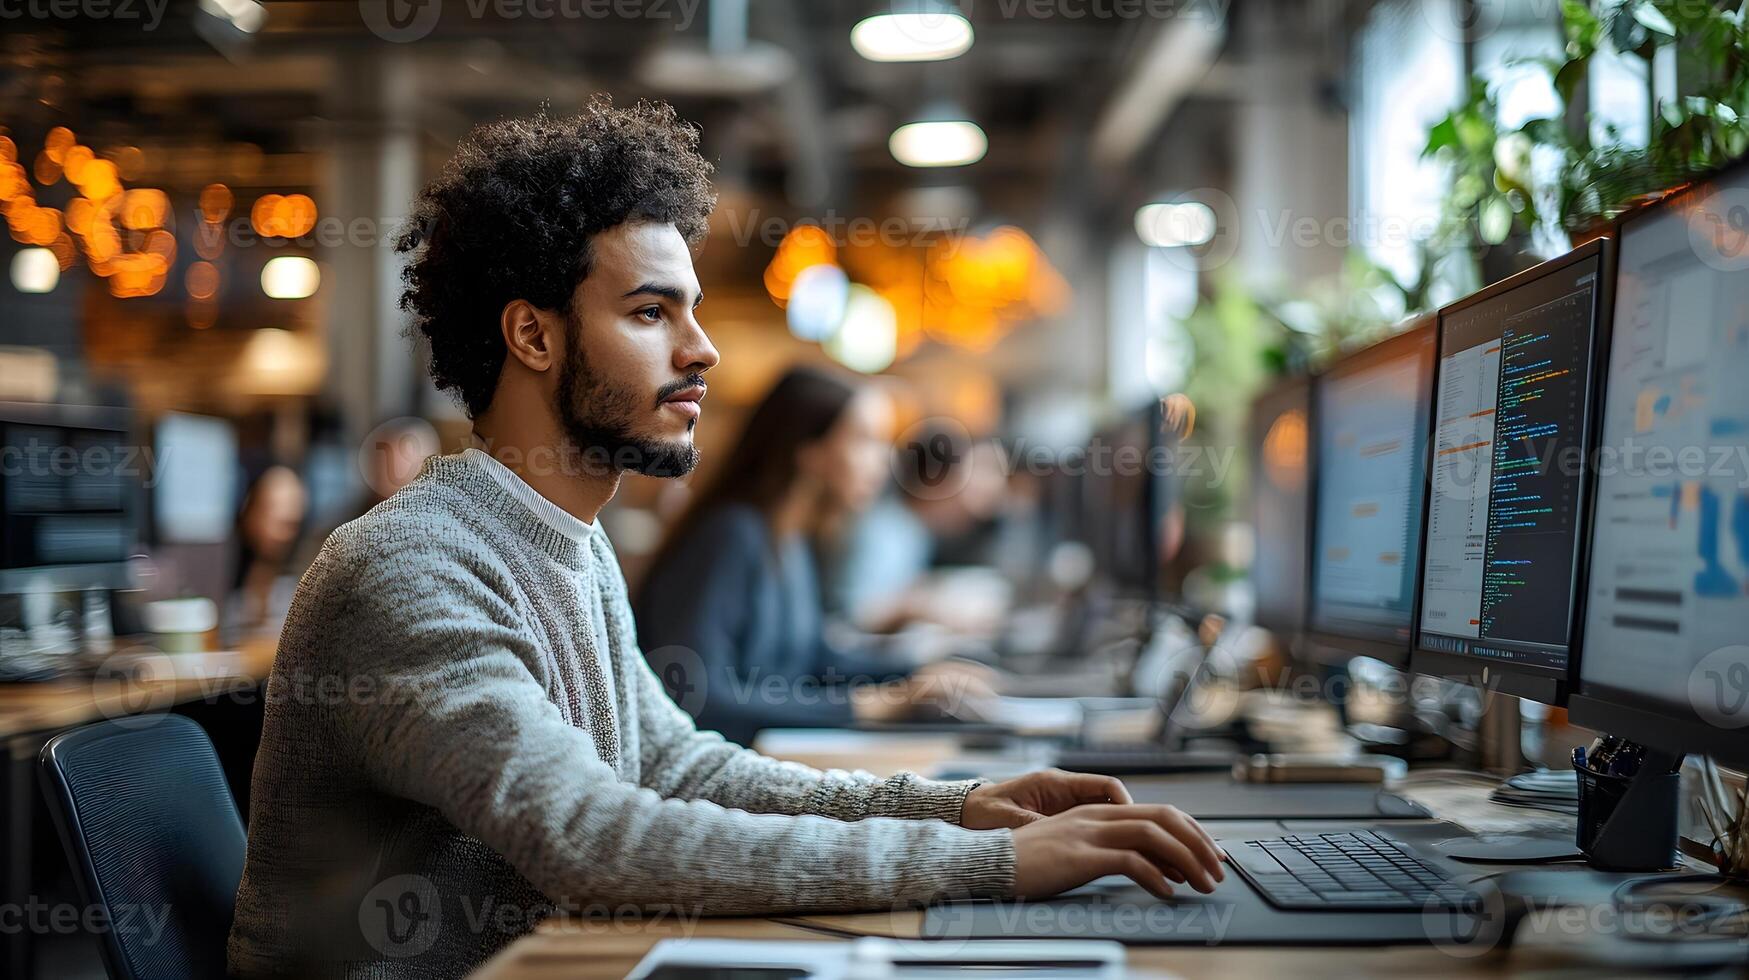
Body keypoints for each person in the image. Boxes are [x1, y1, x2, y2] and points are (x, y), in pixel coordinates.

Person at [228, 97, 1225, 979]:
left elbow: (681, 767)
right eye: (651, 311)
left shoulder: (570, 542)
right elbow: (593, 835)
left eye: (692, 310)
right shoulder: (409, 568)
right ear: (533, 336)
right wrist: (995, 863)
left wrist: (958, 807)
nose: (702, 349)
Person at [636, 366, 992, 745]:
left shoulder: (787, 535)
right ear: (809, 451)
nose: (884, 462)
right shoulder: (729, 535)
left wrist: (920, 671)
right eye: (865, 441)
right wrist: (870, 706)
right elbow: (699, 700)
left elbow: (813, 655)